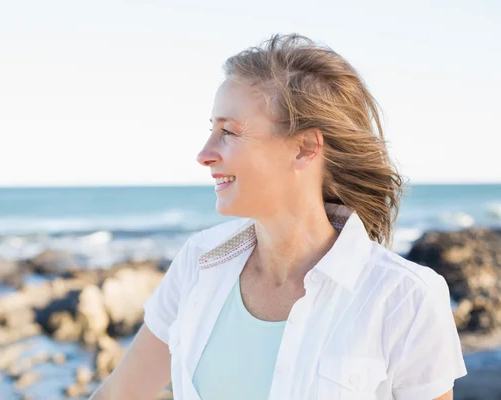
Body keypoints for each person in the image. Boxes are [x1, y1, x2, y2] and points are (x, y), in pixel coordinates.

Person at [89, 33, 467, 400]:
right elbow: (119, 394)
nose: (204, 154)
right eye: (212, 130)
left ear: (304, 148)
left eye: (229, 132)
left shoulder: (405, 297)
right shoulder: (197, 264)